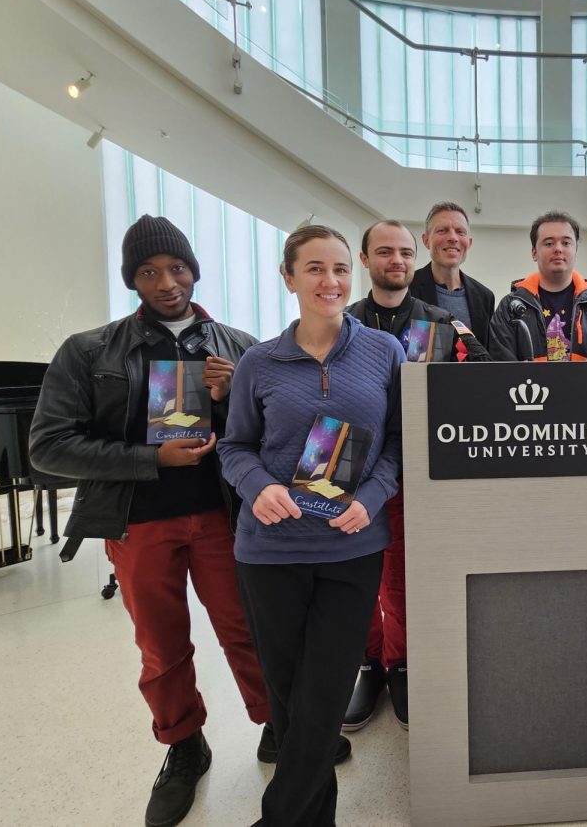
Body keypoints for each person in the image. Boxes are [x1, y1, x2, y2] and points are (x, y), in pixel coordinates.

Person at [28, 214, 271, 827]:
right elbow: (48, 446)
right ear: (131, 279)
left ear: (194, 270)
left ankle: (278, 725)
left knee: (248, 630)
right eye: (149, 271)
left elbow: (277, 437)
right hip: (138, 522)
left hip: (223, 516)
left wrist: (233, 397)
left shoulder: (241, 346)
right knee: (161, 646)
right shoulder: (89, 350)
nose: (166, 282)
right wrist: (148, 457)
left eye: (177, 268)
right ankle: (184, 746)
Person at [219, 225, 404, 827]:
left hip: (352, 544)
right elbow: (235, 447)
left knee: (322, 696)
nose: (332, 282)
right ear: (289, 277)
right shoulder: (258, 362)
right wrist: (259, 485)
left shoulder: (383, 353)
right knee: (290, 700)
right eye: (316, 269)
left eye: (341, 269)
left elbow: (400, 445)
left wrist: (373, 496)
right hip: (270, 549)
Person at [343, 219, 489, 733]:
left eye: (405, 253)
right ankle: (367, 665)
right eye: (385, 252)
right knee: (355, 576)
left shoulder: (443, 326)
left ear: (417, 256)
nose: (397, 261)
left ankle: (400, 663)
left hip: (416, 474)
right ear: (365, 260)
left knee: (401, 581)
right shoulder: (342, 324)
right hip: (349, 474)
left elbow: (485, 388)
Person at [488, 210, 587, 361]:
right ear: (534, 253)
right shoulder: (509, 307)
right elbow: (501, 368)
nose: (558, 249)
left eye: (566, 243)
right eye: (549, 243)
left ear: (576, 251)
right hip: (531, 385)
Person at [409, 201, 495, 349]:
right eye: (442, 230)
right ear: (426, 240)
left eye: (460, 232)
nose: (453, 238)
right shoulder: (408, 289)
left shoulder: (484, 297)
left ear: (469, 242)